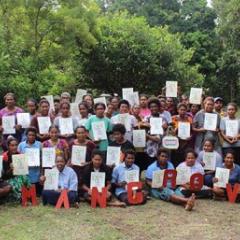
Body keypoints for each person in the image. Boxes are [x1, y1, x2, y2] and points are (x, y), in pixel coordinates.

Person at [2, 137, 31, 201]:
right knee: (18, 182)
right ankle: (20, 197)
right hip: (8, 179)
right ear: (8, 146)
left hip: (18, 176)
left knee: (26, 178)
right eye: (12, 145)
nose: (14, 147)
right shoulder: (5, 157)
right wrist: (11, 169)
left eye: (16, 145)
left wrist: (25, 167)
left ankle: (29, 195)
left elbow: (23, 172)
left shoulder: (19, 155)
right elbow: (4, 175)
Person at [18, 127, 42, 196]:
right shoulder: (21, 145)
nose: (31, 137)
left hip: (36, 174)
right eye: (29, 135)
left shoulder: (39, 144)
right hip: (25, 174)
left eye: (33, 135)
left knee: (37, 194)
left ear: (35, 136)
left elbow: (42, 158)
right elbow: (18, 158)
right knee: (27, 194)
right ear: (26, 135)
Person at [144, 98, 168, 166]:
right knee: (151, 167)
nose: (153, 108)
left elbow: (162, 136)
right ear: (149, 108)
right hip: (149, 149)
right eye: (151, 107)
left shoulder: (163, 118)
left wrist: (148, 136)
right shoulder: (146, 118)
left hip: (161, 149)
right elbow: (144, 134)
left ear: (158, 107)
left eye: (155, 106)